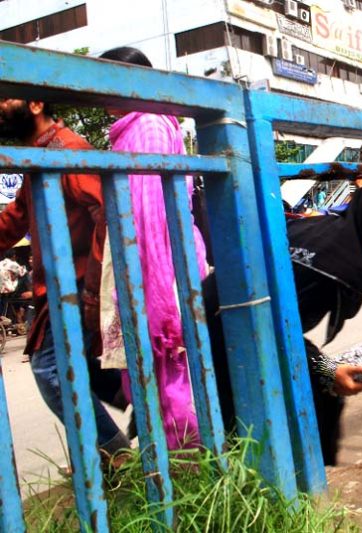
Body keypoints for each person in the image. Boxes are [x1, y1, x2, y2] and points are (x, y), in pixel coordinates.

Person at [205, 181, 362, 465]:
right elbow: (274, 330)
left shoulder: (344, 246)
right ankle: (281, 488)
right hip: (223, 325)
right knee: (246, 423)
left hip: (249, 325)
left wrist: (325, 370)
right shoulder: (329, 262)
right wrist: (327, 369)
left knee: (311, 395)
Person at [0, 98, 130, 461]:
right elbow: (14, 218)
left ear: (37, 104)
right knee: (85, 367)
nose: (0, 106)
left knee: (51, 370)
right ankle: (137, 409)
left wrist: (92, 290)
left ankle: (113, 452)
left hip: (74, 286)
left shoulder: (67, 150)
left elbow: (108, 214)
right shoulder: (40, 157)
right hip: (61, 287)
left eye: (7, 98)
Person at [98, 46, 209, 450]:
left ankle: (193, 477)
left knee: (166, 383)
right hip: (146, 262)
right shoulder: (137, 126)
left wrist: (158, 308)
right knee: (151, 382)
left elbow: (151, 219)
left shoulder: (147, 125)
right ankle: (172, 470)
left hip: (153, 267)